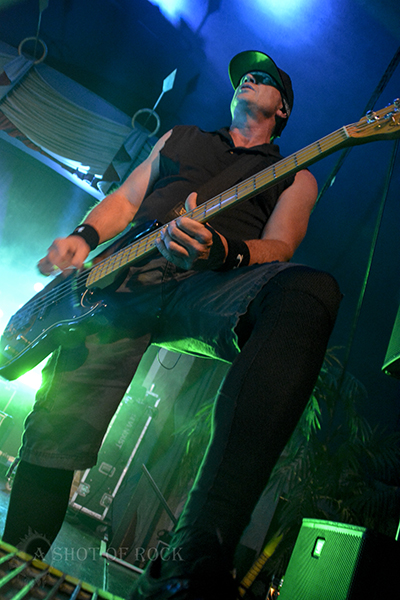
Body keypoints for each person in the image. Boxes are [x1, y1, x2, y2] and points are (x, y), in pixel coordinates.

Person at [1, 50, 341, 599]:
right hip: (125, 278)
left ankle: (197, 558)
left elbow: (279, 245)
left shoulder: (297, 175)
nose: (249, 79)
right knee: (59, 426)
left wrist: (222, 251)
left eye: (265, 79)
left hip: (209, 280)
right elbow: (127, 197)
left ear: (283, 109)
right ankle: (18, 567)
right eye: (244, 76)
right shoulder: (180, 138)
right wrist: (83, 238)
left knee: (307, 291)